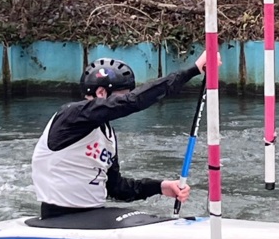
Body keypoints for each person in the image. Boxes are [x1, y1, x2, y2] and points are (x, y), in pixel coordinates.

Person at [31, 52, 207, 218]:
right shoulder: (71, 115)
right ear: (101, 93)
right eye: (122, 96)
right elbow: (133, 102)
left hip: (93, 215)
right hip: (58, 217)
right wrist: (193, 70)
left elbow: (116, 188)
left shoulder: (108, 135)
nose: (125, 100)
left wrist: (161, 187)